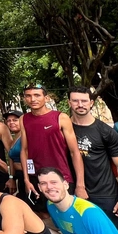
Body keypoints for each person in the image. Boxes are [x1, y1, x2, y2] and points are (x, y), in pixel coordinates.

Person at [64, 87, 118, 229]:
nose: (80, 104)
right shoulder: (61, 129)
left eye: (84, 101)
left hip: (105, 193)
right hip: (69, 192)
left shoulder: (106, 131)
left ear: (91, 103)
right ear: (69, 103)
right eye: (75, 101)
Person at [18, 85, 85, 214]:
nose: (32, 99)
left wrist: (80, 184)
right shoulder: (23, 119)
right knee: (42, 216)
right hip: (36, 178)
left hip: (61, 176)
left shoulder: (60, 117)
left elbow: (74, 152)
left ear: (46, 98)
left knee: (67, 215)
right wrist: (26, 180)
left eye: (37, 95)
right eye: (28, 96)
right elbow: (24, 151)